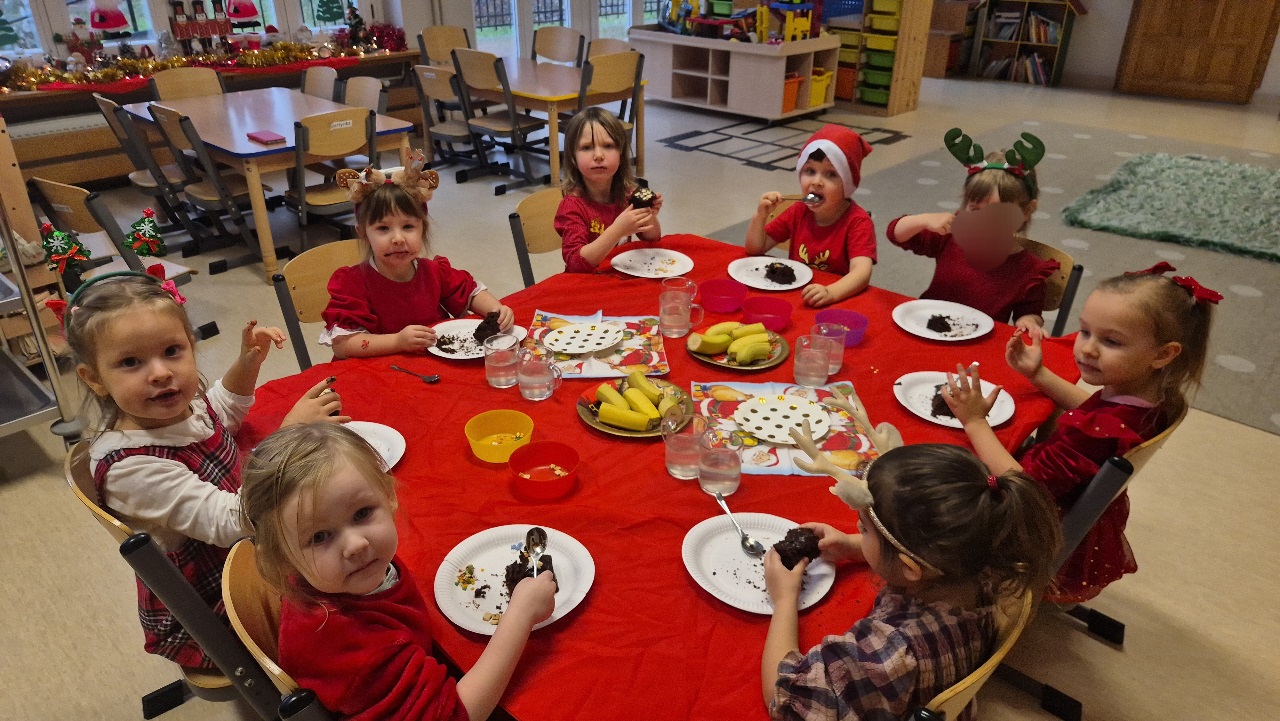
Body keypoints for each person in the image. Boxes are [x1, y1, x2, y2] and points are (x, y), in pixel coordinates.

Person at [59, 266, 343, 670]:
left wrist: (247, 363)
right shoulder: (131, 469)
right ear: (94, 378)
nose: (160, 372)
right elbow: (230, 521)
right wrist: (289, 434)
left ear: (191, 346)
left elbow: (220, 411)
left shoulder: (178, 408)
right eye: (131, 362)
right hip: (222, 597)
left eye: (172, 351)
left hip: (250, 538)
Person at [239, 423, 557, 721]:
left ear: (388, 494)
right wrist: (521, 614)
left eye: (362, 513)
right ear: (283, 560)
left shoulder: (339, 575)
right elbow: (456, 715)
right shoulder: (360, 651)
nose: (356, 544)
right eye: (320, 536)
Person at [943, 262, 1218, 602]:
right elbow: (1094, 412)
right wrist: (1039, 374)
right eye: (1085, 331)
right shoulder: (1150, 396)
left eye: (1111, 341)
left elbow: (1025, 485)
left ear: (1163, 354)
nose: (1087, 348)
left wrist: (974, 421)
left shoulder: (1093, 434)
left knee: (935, 474)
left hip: (1033, 521)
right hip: (1074, 504)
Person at [762, 444, 1062, 720]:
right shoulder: (981, 563)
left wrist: (784, 599)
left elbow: (785, 700)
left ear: (910, 567)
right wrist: (854, 546)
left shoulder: (888, 656)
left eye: (864, 529)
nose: (856, 528)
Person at [321, 156, 514, 358]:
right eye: (383, 228)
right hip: (382, 369)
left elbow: (470, 293)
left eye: (408, 226)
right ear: (363, 233)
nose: (398, 239)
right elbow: (343, 346)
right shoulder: (353, 284)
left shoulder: (434, 271)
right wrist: (396, 342)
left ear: (423, 229)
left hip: (432, 366)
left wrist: (496, 310)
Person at [887, 128, 1059, 335]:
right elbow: (896, 234)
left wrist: (1029, 321)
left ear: (1026, 211)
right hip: (929, 330)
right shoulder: (952, 236)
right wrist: (923, 220)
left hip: (979, 343)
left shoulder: (1030, 270)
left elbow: (1029, 312)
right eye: (976, 210)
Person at [746, 124, 877, 307]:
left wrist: (831, 292)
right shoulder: (799, 210)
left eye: (831, 174)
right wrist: (760, 216)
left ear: (847, 184)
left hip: (835, 300)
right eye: (810, 171)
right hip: (796, 295)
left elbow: (861, 273)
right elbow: (755, 248)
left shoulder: (858, 222)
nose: (816, 182)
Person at [555, 107, 663, 273]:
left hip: (620, 275)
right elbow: (576, 263)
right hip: (586, 282)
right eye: (587, 147)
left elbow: (653, 238)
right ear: (573, 158)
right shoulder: (572, 206)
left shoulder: (628, 194)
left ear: (621, 154)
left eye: (608, 146)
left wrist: (649, 215)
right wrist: (617, 230)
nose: (598, 155)